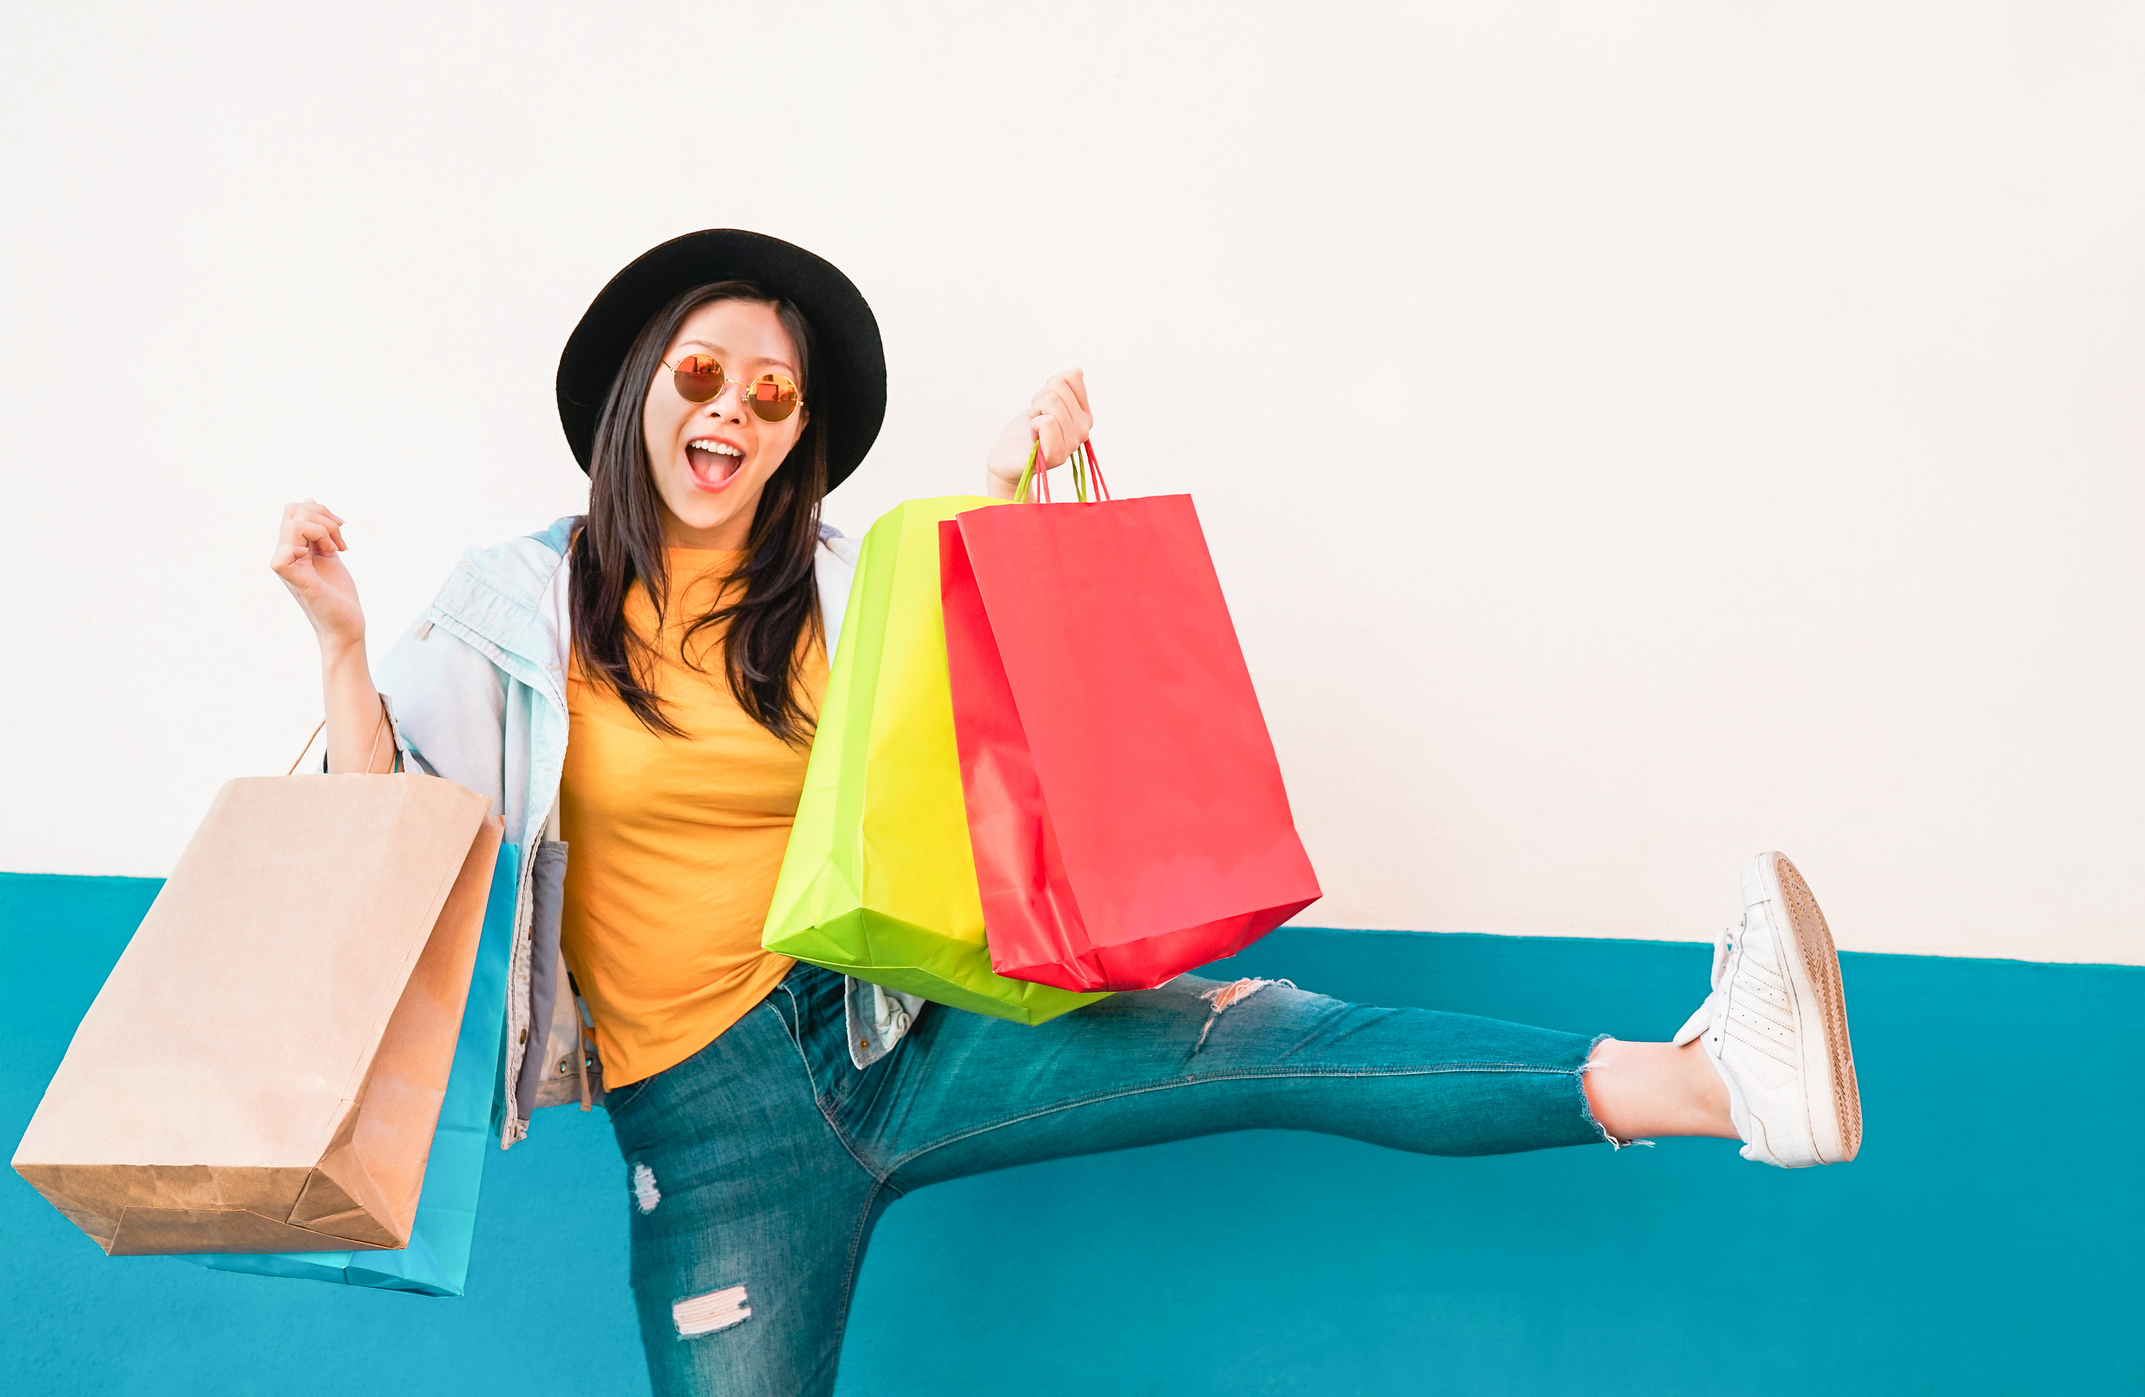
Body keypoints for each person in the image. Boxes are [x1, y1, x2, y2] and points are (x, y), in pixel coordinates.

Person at [269, 230, 1861, 1397]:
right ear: (638, 396)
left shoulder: (829, 582)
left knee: (1270, 1034)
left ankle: (1723, 1082)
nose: (733, 410)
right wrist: (341, 642)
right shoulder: (514, 609)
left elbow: (975, 699)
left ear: (795, 435)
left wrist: (1024, 492)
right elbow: (379, 843)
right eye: (700, 374)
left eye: (770, 391)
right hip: (707, 1122)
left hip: (901, 1023)